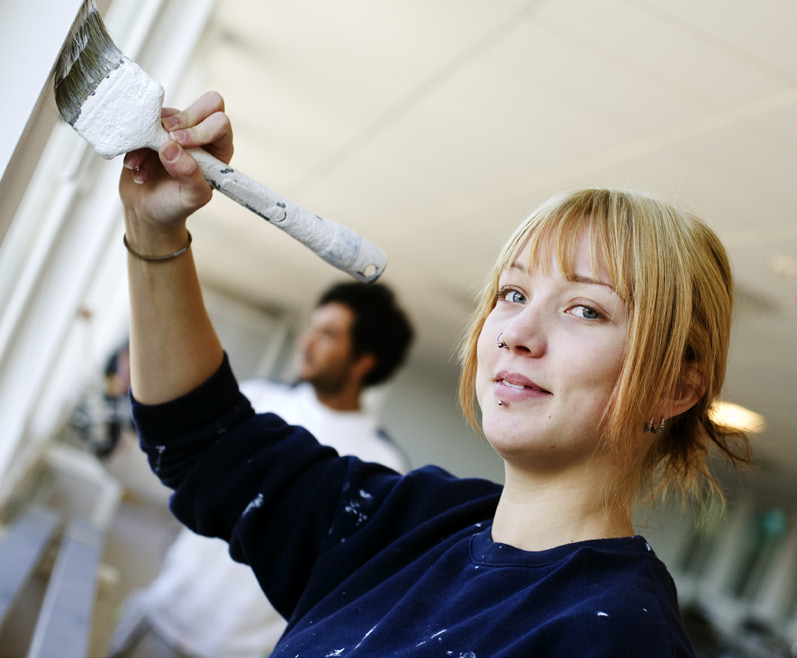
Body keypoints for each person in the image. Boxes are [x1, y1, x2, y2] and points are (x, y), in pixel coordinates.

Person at [117, 91, 752, 657]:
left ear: (675, 386)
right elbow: (207, 442)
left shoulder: (616, 635)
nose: (518, 334)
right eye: (513, 294)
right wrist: (153, 226)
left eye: (585, 309)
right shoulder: (416, 525)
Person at [108, 280, 414, 658]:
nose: (307, 342)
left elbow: (342, 585)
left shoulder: (381, 465)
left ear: (363, 362)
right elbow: (181, 484)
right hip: (160, 614)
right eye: (312, 328)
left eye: (328, 334)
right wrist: (114, 449)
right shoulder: (256, 403)